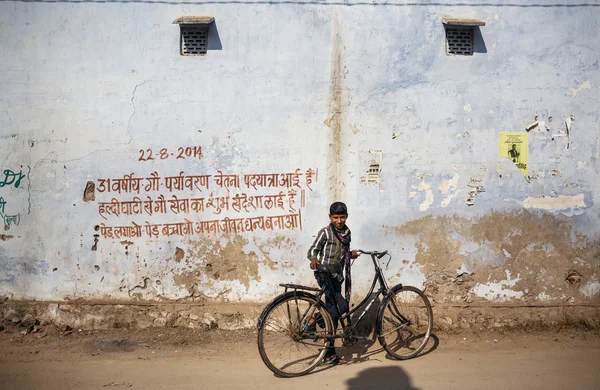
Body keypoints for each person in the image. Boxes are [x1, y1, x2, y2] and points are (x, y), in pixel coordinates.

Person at [305, 201, 360, 365]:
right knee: (340, 308)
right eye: (335, 217)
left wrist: (350, 254)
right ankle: (311, 322)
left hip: (337, 277)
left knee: (333, 314)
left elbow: (343, 255)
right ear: (330, 217)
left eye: (342, 217)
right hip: (324, 275)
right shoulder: (326, 232)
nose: (339, 221)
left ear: (346, 217)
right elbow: (313, 250)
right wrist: (314, 259)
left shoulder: (347, 233)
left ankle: (329, 354)